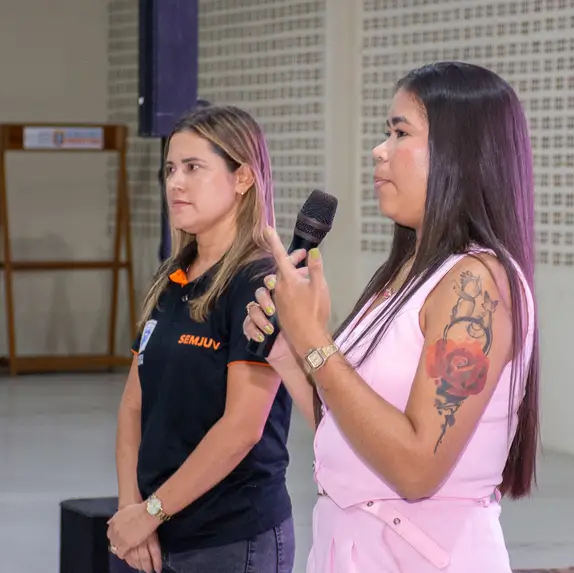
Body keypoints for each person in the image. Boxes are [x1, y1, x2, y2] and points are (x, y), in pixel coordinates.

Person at [244, 61, 540, 572]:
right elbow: (350, 430)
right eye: (387, 132)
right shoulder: (405, 274)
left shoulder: (476, 285)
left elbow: (416, 467)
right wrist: (290, 351)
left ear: (459, 153)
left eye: (400, 133)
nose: (379, 150)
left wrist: (315, 341)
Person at [109, 104, 295, 573]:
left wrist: (150, 512)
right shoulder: (171, 278)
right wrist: (132, 509)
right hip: (157, 533)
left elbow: (242, 429)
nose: (175, 182)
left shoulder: (258, 284)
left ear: (243, 178)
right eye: (171, 169)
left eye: (193, 167)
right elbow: (133, 404)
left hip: (231, 540)